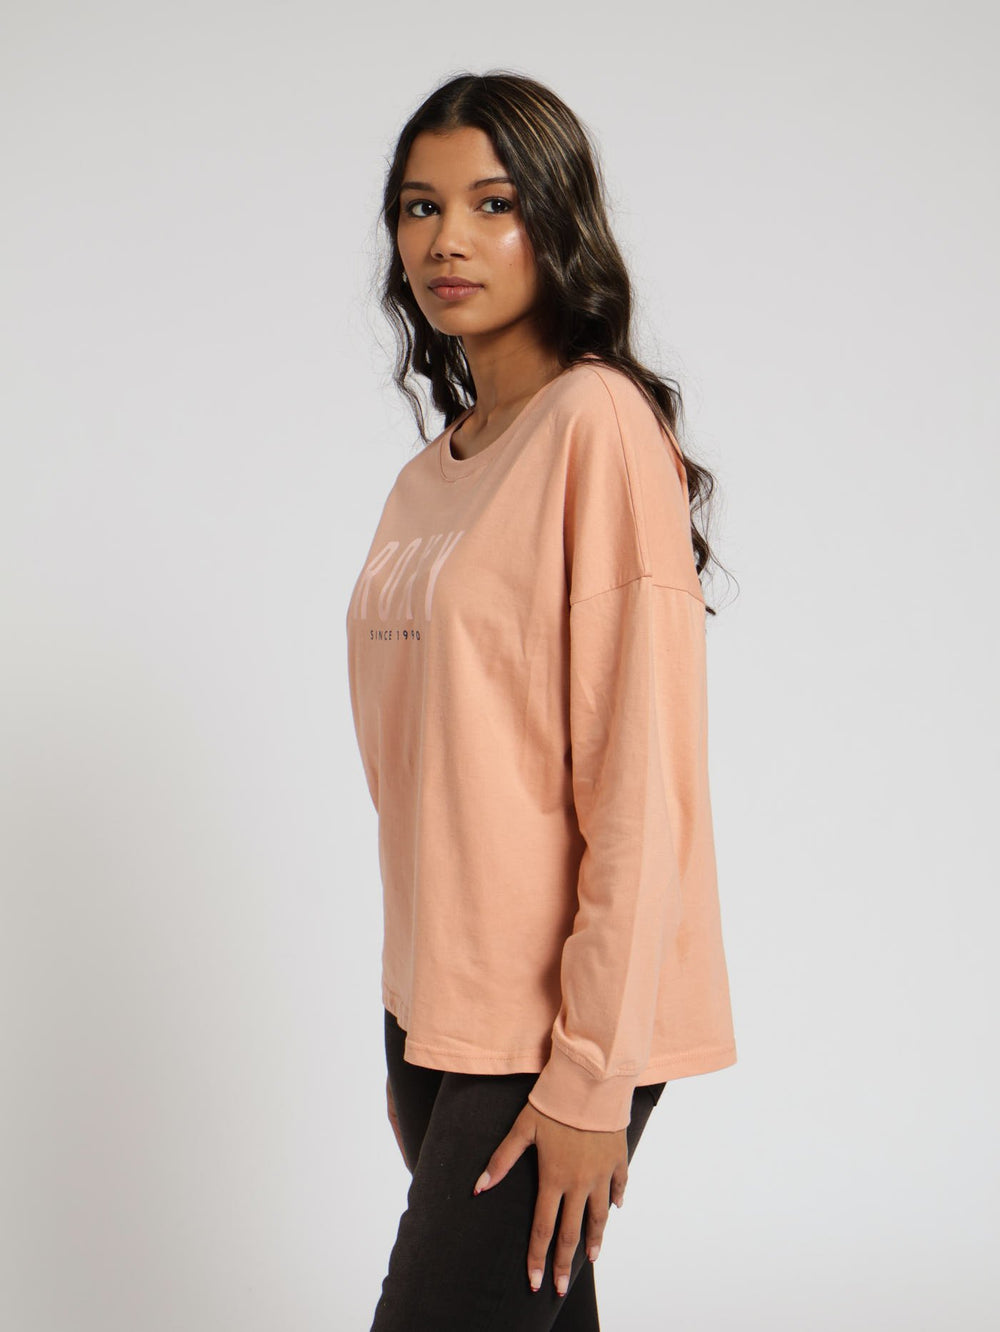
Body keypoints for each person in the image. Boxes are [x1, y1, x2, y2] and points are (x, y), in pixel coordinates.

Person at [345, 70, 738, 1330]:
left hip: (552, 1035)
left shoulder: (596, 426)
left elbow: (639, 781)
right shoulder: (428, 480)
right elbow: (430, 772)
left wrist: (591, 1077)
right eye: (420, 207)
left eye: (492, 203)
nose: (446, 239)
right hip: (439, 1016)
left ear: (555, 220)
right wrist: (411, 1021)